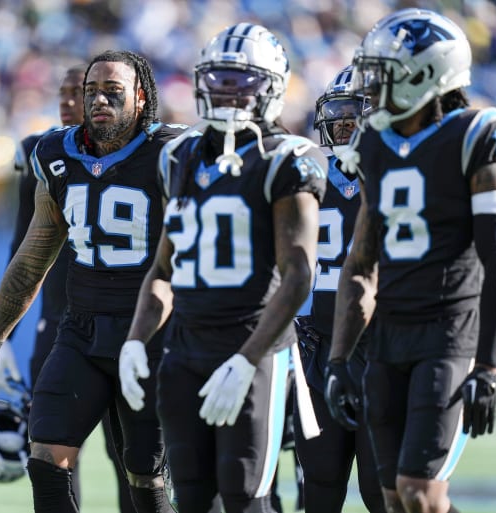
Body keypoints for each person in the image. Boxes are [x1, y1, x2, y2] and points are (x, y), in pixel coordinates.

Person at [0, 50, 185, 513]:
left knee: (144, 477)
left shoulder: (173, 153)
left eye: (113, 91)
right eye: (91, 91)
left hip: (148, 336)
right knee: (45, 459)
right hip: (80, 332)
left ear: (141, 99)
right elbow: (30, 262)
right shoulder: (58, 155)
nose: (99, 100)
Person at [119, 23, 327, 513]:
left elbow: (298, 274)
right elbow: (164, 268)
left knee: (246, 496)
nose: (226, 94)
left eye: (242, 83)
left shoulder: (287, 159)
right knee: (191, 498)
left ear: (272, 88)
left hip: (256, 349)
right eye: (218, 81)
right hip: (185, 349)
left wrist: (248, 358)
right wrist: (135, 338)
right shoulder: (180, 156)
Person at [324, 9, 496, 513]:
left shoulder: (478, 135)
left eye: (382, 72)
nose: (371, 87)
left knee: (420, 493)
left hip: (449, 332)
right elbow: (361, 262)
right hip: (389, 334)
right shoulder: (374, 145)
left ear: (425, 74)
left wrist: (489, 366)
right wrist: (341, 358)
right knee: (392, 500)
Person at [2, 64, 135, 513]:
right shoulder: (43, 153)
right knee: (52, 454)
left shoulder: (146, 151)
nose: (66, 102)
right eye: (62, 93)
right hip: (59, 327)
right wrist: (1, 342)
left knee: (131, 459)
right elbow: (23, 251)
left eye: (74, 94)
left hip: (123, 324)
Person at [291, 66, 385, 513]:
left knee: (380, 488)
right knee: (320, 486)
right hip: (315, 344)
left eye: (355, 114)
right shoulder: (304, 174)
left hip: (380, 346)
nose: (344, 124)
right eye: (339, 114)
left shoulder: (394, 175)